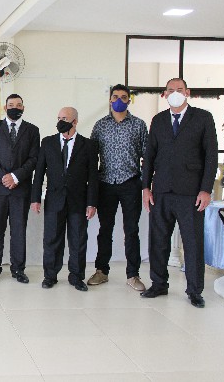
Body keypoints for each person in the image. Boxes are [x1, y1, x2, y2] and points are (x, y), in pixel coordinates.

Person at [141, 78, 218, 308]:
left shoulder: (203, 118)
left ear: (187, 92)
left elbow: (211, 156)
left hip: (191, 193)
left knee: (192, 243)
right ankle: (158, 284)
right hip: (161, 191)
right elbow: (149, 155)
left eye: (179, 90)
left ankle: (194, 290)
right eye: (170, 90)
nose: (175, 93)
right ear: (165, 94)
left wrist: (205, 189)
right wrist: (146, 187)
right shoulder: (158, 120)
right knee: (158, 241)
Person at [31, 107, 98, 292]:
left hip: (78, 201)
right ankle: (50, 275)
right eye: (59, 118)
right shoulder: (48, 142)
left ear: (75, 121)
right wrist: (35, 198)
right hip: (54, 199)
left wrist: (92, 202)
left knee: (78, 240)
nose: (61, 121)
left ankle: (76, 276)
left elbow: (93, 176)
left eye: (65, 118)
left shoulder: (89, 145)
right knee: (51, 239)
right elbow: (39, 172)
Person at [88, 84, 148, 291]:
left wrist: (145, 183)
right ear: (110, 100)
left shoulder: (138, 125)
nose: (119, 100)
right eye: (115, 96)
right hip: (105, 183)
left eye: (123, 97)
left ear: (129, 100)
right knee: (105, 229)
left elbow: (147, 156)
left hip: (130, 183)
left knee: (131, 230)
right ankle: (101, 271)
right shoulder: (100, 125)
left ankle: (133, 275)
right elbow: (91, 157)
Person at [0, 93, 40, 283]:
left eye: (18, 105)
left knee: (19, 231)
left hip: (20, 189)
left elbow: (34, 158)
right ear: (5, 107)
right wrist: (4, 177)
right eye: (11, 104)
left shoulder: (32, 130)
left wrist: (16, 176)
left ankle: (18, 269)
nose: (15, 107)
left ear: (23, 108)